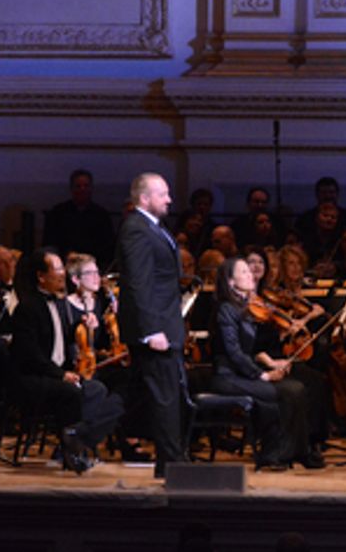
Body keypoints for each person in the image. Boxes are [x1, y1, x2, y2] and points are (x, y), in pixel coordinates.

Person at [11, 248, 125, 472]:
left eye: (63, 268)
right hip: (33, 378)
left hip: (55, 374)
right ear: (41, 276)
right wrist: (61, 374)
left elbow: (59, 338)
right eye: (57, 269)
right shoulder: (28, 308)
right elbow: (30, 355)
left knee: (98, 389)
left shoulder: (58, 303)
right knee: (72, 392)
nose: (62, 273)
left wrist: (81, 325)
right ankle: (72, 447)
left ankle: (75, 440)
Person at [208, 257, 322, 470]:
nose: (250, 274)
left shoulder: (247, 308)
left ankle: (296, 451)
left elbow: (250, 351)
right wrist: (263, 375)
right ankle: (273, 454)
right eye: (243, 272)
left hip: (243, 373)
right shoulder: (226, 309)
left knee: (296, 388)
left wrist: (272, 362)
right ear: (230, 282)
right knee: (279, 393)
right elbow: (233, 352)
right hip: (227, 376)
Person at [115, 172, 190, 477]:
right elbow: (138, 283)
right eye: (163, 194)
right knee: (164, 397)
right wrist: (151, 330)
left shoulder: (153, 228)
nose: (169, 199)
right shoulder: (137, 229)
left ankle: (169, 463)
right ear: (144, 198)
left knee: (160, 396)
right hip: (155, 329)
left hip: (165, 324)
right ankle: (172, 465)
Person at [45, 168, 117, 269]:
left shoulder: (101, 215)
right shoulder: (58, 213)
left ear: (91, 188)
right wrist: (67, 255)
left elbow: (108, 248)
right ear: (71, 188)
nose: (82, 189)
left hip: (94, 267)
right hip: (64, 266)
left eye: (86, 186)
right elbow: (50, 244)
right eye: (78, 186)